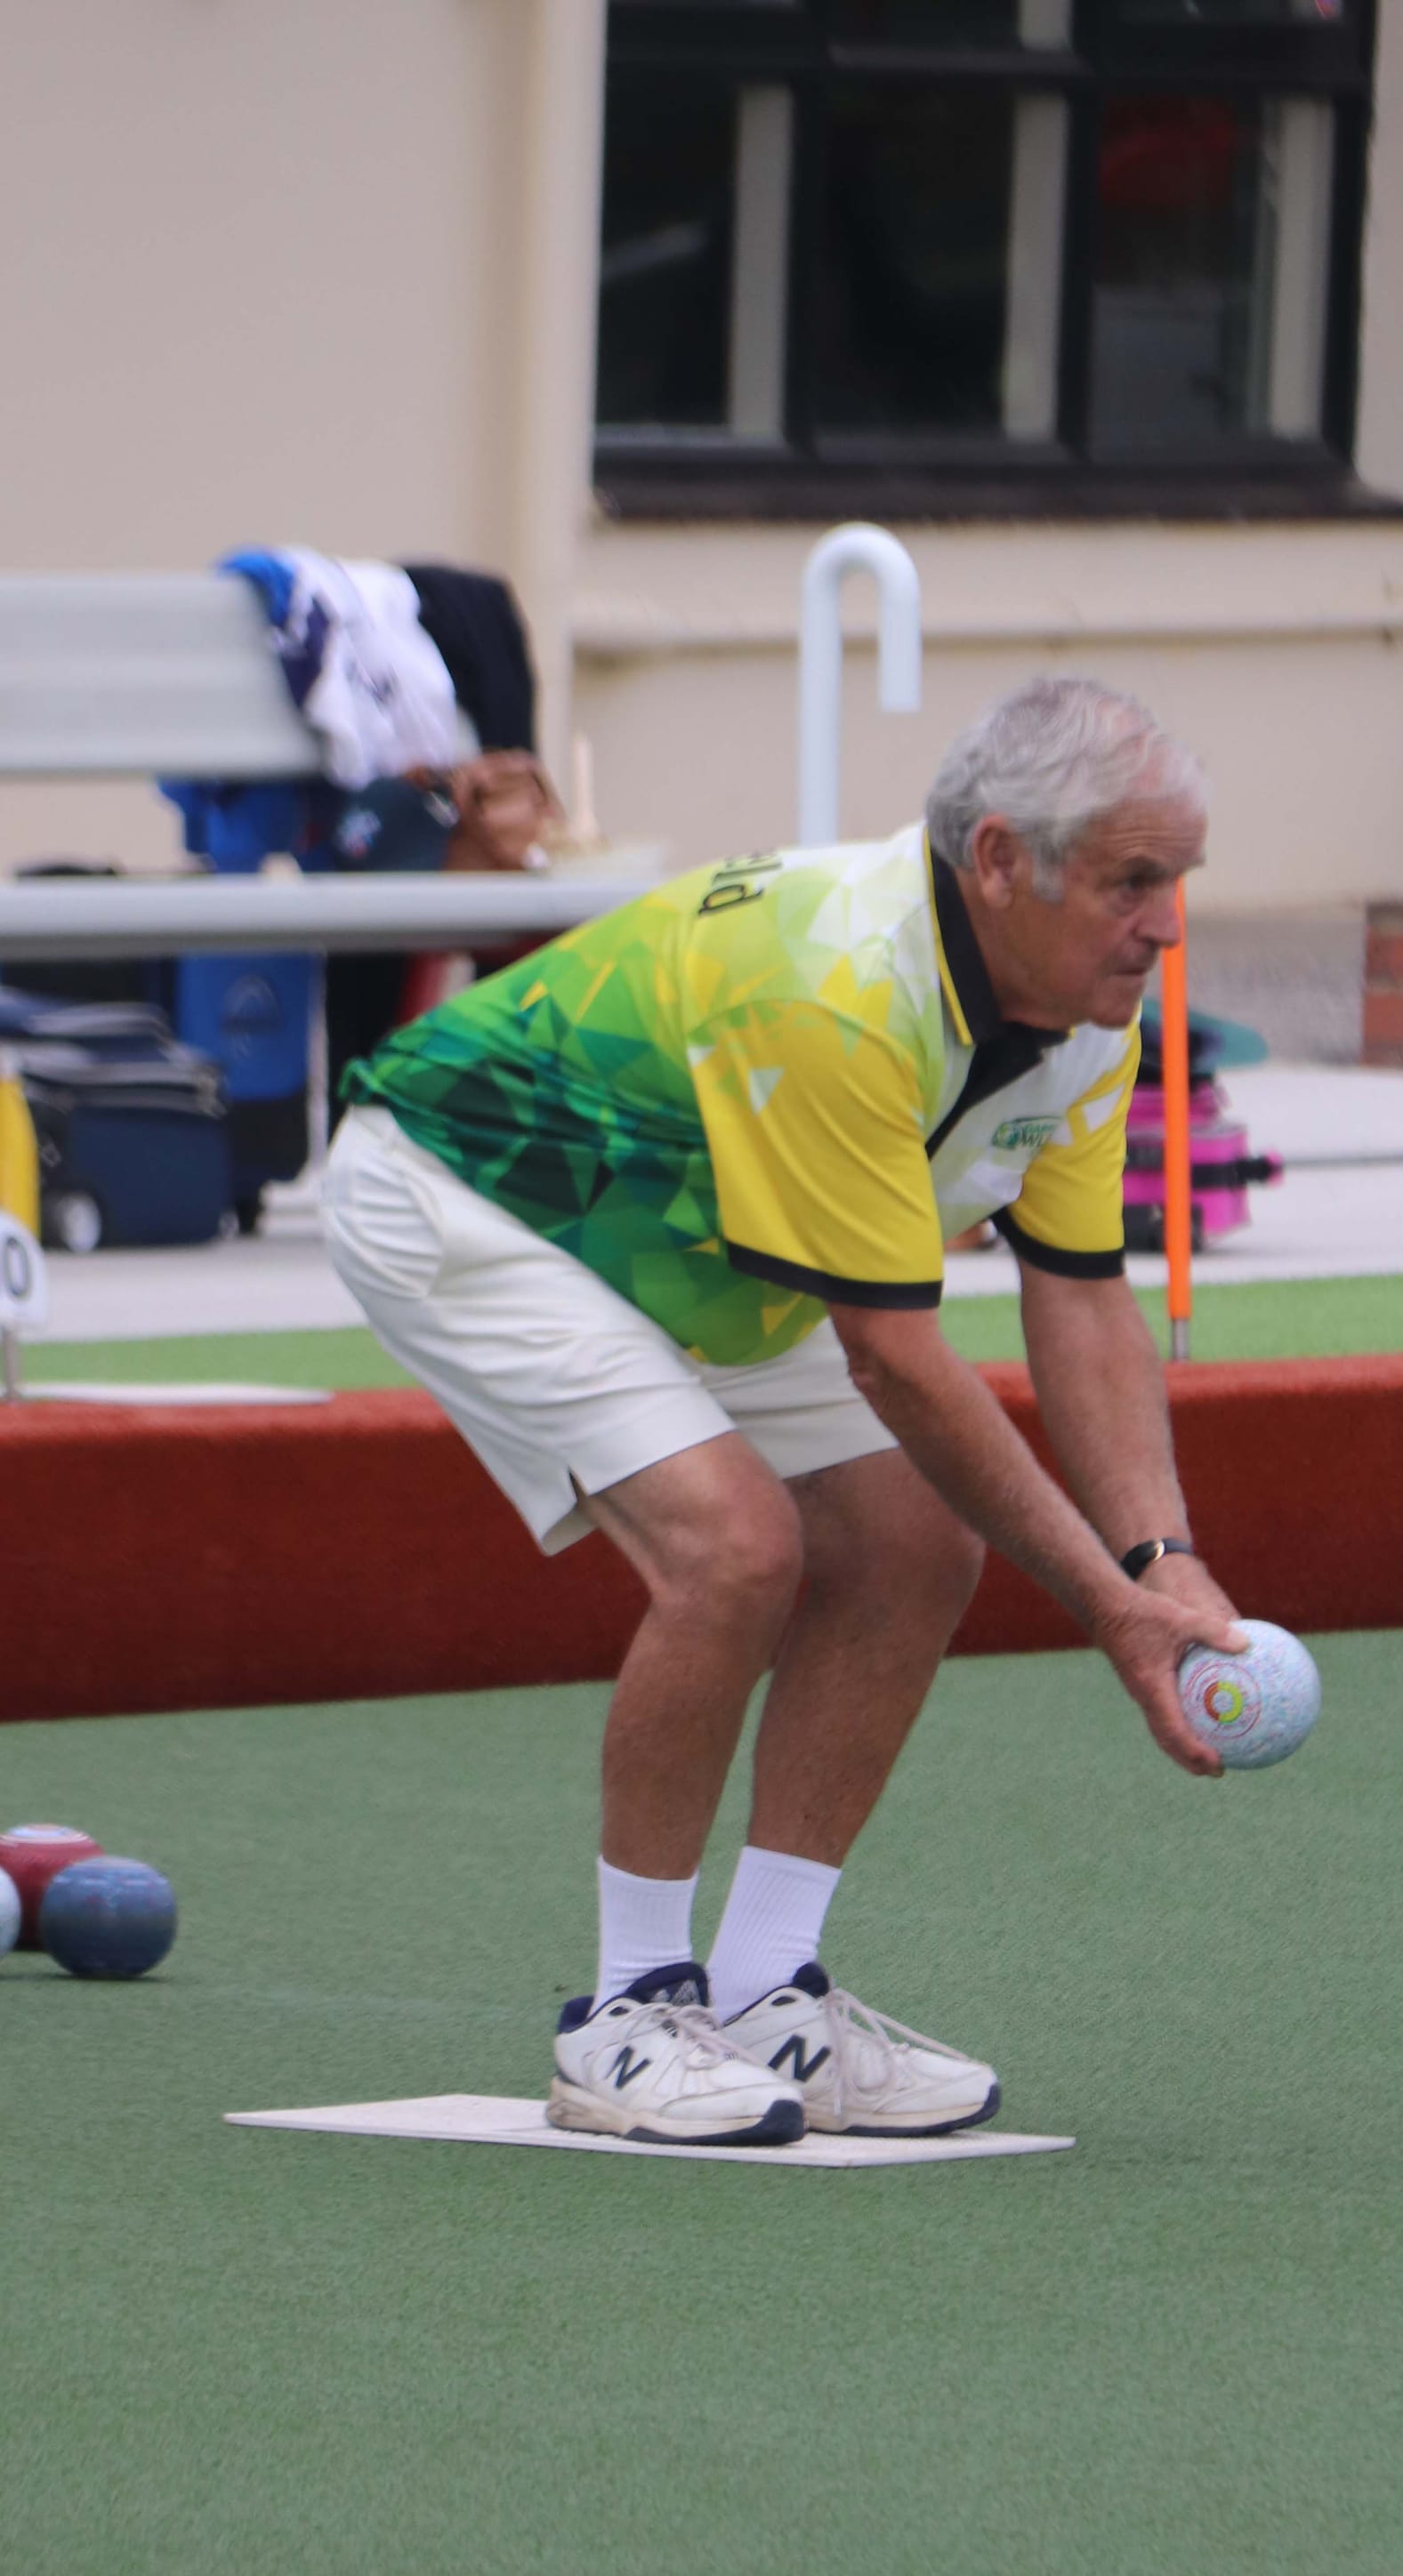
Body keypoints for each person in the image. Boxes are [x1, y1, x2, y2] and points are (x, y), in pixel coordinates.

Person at [323, 675, 1244, 2149]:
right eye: (1135, 882)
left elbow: (1077, 1293)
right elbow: (894, 1352)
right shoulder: (833, 980)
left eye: (1179, 880)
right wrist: (1106, 1611)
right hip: (473, 1192)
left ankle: (764, 1996)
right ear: (999, 860)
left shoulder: (1083, 1006)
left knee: (913, 1550)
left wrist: (1158, 1563)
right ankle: (624, 2013)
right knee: (736, 1551)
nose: (1167, 924)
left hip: (704, 1236)